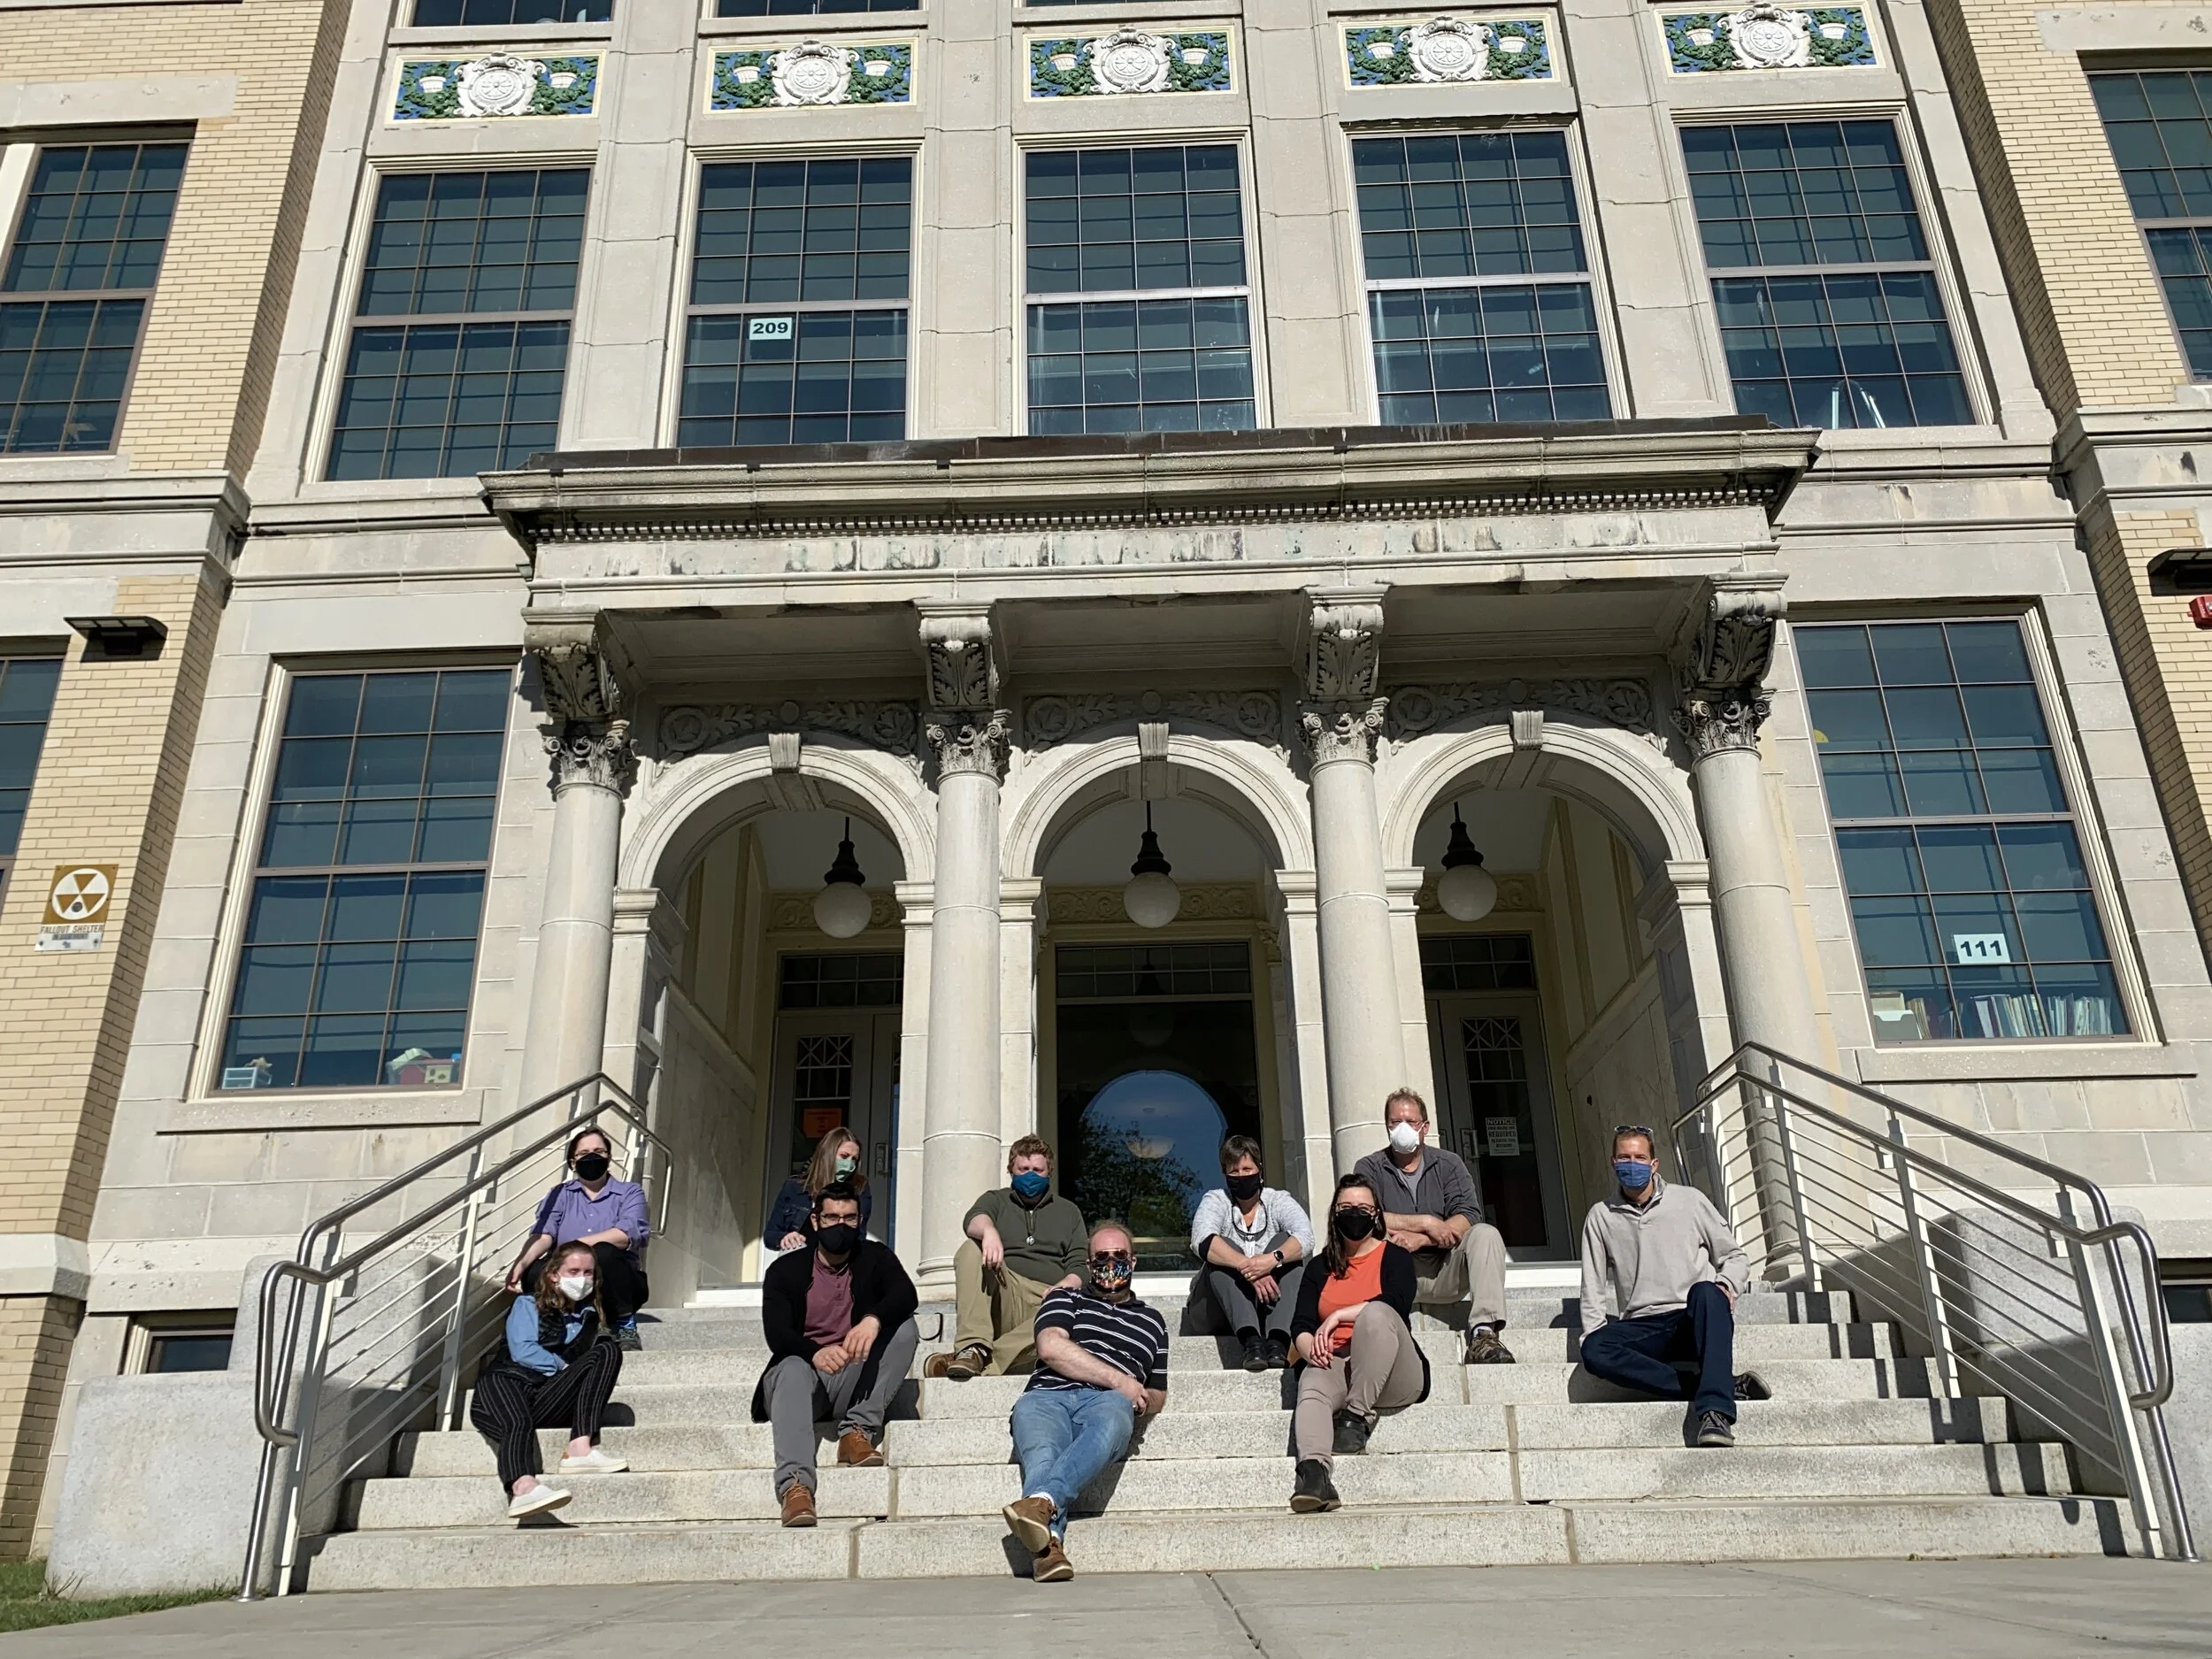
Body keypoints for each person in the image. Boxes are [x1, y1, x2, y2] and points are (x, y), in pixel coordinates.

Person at [1578, 1125, 1768, 1448]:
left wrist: (1726, 1286)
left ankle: (1715, 1413)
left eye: (1640, 1158)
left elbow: (1734, 1256)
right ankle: (1716, 1384)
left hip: (1693, 1320)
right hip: (1643, 1327)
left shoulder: (1689, 1200)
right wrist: (1592, 1332)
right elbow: (1592, 1285)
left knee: (1707, 1292)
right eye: (1624, 1157)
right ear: (1613, 1162)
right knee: (1594, 1349)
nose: (1632, 1164)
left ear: (1654, 1164)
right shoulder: (1601, 1216)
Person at [1000, 1220, 1169, 1583]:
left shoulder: (1153, 1321)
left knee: (1115, 1415)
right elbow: (1050, 1347)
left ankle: (1042, 1510)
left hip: (1107, 1404)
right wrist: (1121, 1380)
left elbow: (1158, 1392)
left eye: (1119, 1256)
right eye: (1101, 1258)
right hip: (1046, 1396)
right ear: (1089, 1265)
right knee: (1043, 1455)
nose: (1111, 1264)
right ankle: (1049, 1548)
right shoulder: (1065, 1298)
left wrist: (1143, 1400)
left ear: (1133, 1261)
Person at [751, 1181, 920, 1526]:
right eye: (831, 1218)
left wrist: (873, 1319)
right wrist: (814, 1352)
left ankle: (856, 1431)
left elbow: (906, 1294)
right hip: (802, 1380)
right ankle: (796, 1486)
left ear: (859, 1220)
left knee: (905, 1328)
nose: (840, 1226)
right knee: (792, 1367)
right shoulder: (785, 1271)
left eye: (849, 1218)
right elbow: (778, 1335)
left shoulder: (875, 1257)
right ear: (815, 1221)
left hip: (850, 1374)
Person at [1285, 1174, 1430, 1514]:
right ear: (1334, 1213)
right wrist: (1312, 1350)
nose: (1355, 1214)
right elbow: (1301, 1325)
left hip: (1392, 1369)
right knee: (1312, 1381)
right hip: (1338, 1362)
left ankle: (1355, 1417)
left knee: (1376, 1314)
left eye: (1364, 1208)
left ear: (1376, 1214)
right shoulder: (1319, 1266)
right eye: (1346, 1207)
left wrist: (1339, 1315)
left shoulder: (1395, 1257)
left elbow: (1396, 1303)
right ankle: (1314, 1475)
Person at [1352, 1087, 1513, 1364]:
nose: (1403, 1129)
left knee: (1485, 1234)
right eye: (1395, 1122)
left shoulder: (1449, 1164)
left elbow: (1468, 1214)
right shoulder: (1370, 1167)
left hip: (1445, 1271)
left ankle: (1484, 1335)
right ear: (1387, 1126)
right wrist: (1427, 1222)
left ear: (1425, 1127)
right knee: (1367, 1236)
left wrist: (1423, 1239)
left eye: (1410, 1122)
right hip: (1394, 1277)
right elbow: (1365, 1215)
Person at [471, 1240, 630, 1518]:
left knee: (607, 1351)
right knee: (517, 1422)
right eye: (574, 1272)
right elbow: (523, 1351)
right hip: (506, 1383)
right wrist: (564, 1367)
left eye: (588, 1273)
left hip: (544, 1396)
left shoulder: (588, 1318)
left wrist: (575, 1374)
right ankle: (523, 1487)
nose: (582, 1279)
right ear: (554, 1275)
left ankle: (580, 1447)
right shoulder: (528, 1303)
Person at [924, 1136, 1087, 1379]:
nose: (1030, 1175)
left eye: (1037, 1170)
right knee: (970, 1249)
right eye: (1023, 1169)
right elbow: (974, 1219)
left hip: (1047, 1299)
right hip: (1005, 1294)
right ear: (1011, 1170)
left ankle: (980, 1359)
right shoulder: (996, 1200)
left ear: (1049, 1172)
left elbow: (1080, 1263)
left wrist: (1066, 1286)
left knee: (1072, 1309)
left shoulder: (1069, 1211)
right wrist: (988, 1231)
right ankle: (972, 1344)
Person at [506, 1126, 650, 1350]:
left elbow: (626, 1235)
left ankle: (623, 1324)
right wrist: (522, 1263)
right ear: (573, 1162)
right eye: (584, 1153)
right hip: (569, 1277)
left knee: (604, 1252)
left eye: (599, 1152)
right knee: (533, 1271)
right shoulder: (559, 1194)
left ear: (609, 1157)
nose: (592, 1157)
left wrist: (577, 1248)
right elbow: (544, 1234)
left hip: (615, 1279)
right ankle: (554, 1326)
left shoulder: (629, 1192)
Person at [1187, 1134, 1315, 1370]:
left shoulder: (1277, 1200)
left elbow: (1306, 1238)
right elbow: (1201, 1241)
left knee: (1287, 1246)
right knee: (1221, 1248)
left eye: (1247, 1169)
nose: (1241, 1176)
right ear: (1225, 1174)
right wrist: (1249, 1269)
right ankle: (1251, 1342)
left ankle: (1277, 1342)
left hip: (1266, 1304)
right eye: (1234, 1171)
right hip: (1214, 1310)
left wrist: (1271, 1260)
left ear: (1259, 1170)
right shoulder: (1216, 1200)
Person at [764, 1125, 875, 1255]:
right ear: (828, 1155)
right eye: (844, 1156)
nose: (850, 1164)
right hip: (800, 1256)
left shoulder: (859, 1189)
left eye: (854, 1159)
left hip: (840, 1257)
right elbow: (770, 1235)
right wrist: (784, 1238)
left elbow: (859, 1237)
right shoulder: (795, 1188)